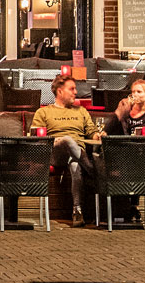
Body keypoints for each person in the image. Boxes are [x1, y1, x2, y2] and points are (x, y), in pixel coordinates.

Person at [29, 74, 106, 223]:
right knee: (67, 140)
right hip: (55, 153)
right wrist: (53, 140)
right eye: (71, 89)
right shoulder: (43, 112)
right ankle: (92, 170)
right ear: (59, 91)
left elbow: (91, 131)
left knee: (76, 165)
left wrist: (98, 135)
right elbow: (36, 136)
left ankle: (77, 210)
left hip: (77, 153)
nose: (75, 92)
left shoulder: (81, 111)